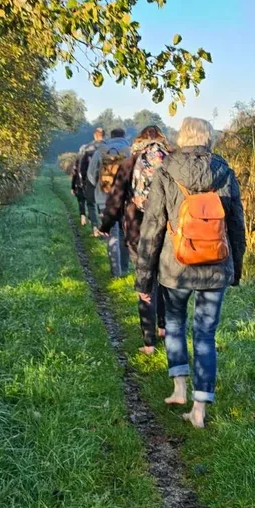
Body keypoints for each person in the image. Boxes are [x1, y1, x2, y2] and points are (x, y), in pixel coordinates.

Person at [135, 117, 246, 429]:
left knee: (174, 323)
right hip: (216, 265)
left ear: (181, 138)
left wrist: (144, 277)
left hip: (175, 267)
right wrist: (235, 268)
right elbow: (236, 224)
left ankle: (179, 389)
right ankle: (199, 409)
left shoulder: (166, 170)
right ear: (208, 138)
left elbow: (153, 226)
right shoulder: (224, 171)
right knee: (205, 334)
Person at [100, 126, 171, 354]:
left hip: (136, 231)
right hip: (167, 230)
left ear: (138, 141)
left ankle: (149, 342)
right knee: (163, 279)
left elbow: (116, 197)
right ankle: (164, 327)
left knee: (145, 283)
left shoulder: (130, 163)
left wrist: (105, 225)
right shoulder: (171, 161)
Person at [87, 128, 131, 277]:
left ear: (110, 137)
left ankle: (115, 272)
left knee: (111, 234)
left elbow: (91, 174)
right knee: (124, 234)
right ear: (124, 136)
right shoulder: (129, 150)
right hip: (125, 199)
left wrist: (100, 187)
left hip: (104, 198)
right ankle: (125, 268)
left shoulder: (101, 150)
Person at [78, 128, 105, 235]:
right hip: (106, 180)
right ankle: (104, 229)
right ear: (103, 135)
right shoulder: (108, 147)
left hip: (90, 179)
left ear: (95, 135)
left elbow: (82, 166)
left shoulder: (88, 148)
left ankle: (95, 228)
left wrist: (82, 181)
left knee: (91, 204)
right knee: (103, 205)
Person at [70, 155, 87, 226]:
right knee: (91, 203)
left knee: (81, 202)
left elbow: (74, 175)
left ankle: (83, 217)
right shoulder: (91, 159)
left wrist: (72, 187)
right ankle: (91, 219)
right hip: (89, 186)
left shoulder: (78, 161)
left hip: (79, 185)